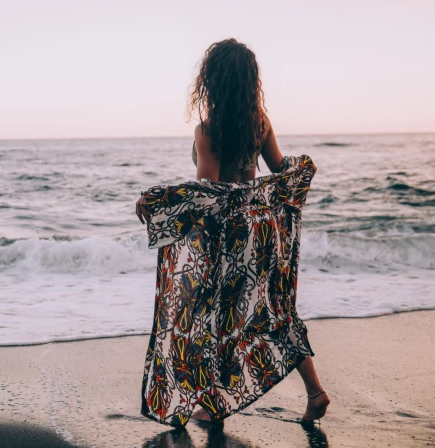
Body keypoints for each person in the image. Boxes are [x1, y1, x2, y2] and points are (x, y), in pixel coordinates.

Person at [135, 38, 329, 423]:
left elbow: (208, 190)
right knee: (275, 311)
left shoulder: (208, 130)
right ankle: (315, 391)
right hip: (262, 231)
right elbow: (278, 167)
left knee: (207, 317)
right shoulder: (260, 121)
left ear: (212, 80)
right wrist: (301, 167)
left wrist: (155, 200)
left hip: (227, 237)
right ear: (249, 81)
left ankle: (213, 406)